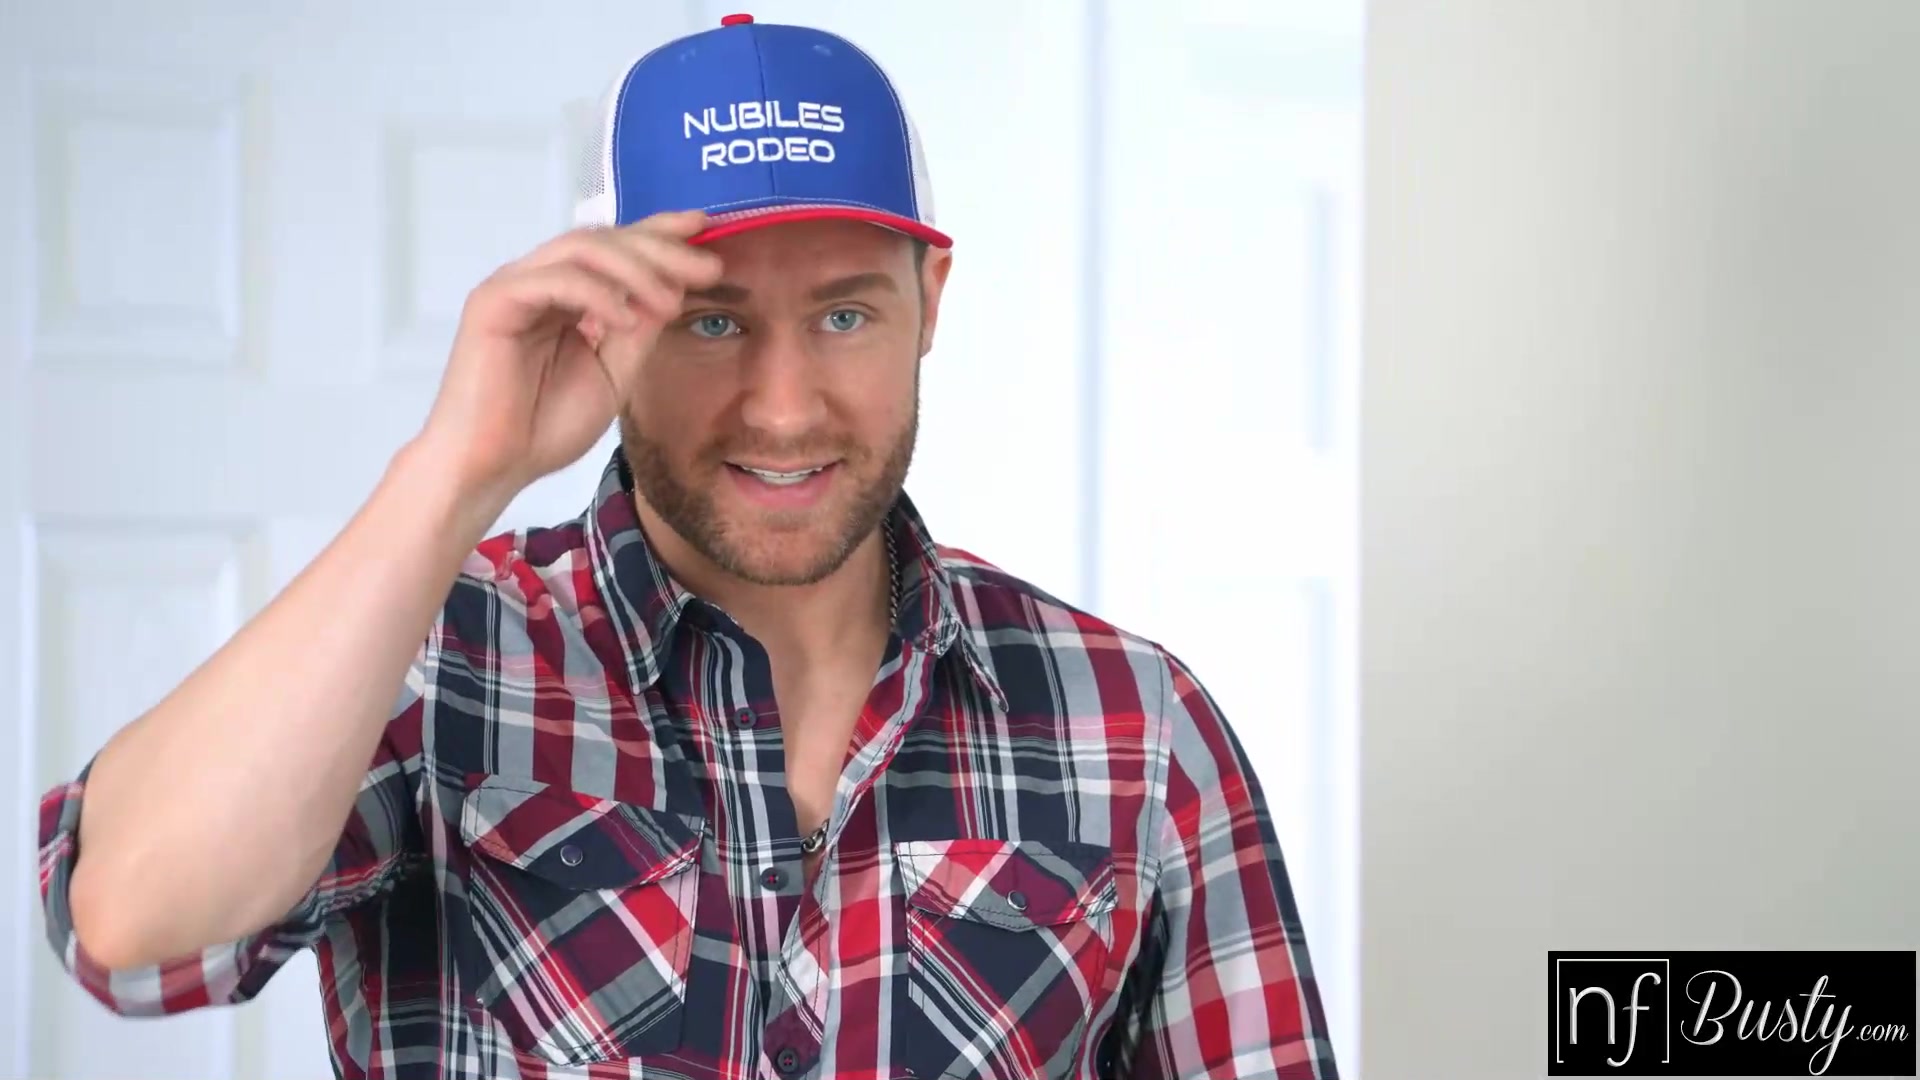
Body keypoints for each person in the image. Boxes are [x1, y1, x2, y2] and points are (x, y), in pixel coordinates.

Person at [36, 13, 1339, 1080]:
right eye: (711, 322)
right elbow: (130, 932)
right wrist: (451, 474)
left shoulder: (1134, 725)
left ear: (929, 302)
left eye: (844, 316)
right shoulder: (430, 660)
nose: (783, 409)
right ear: (604, 320)